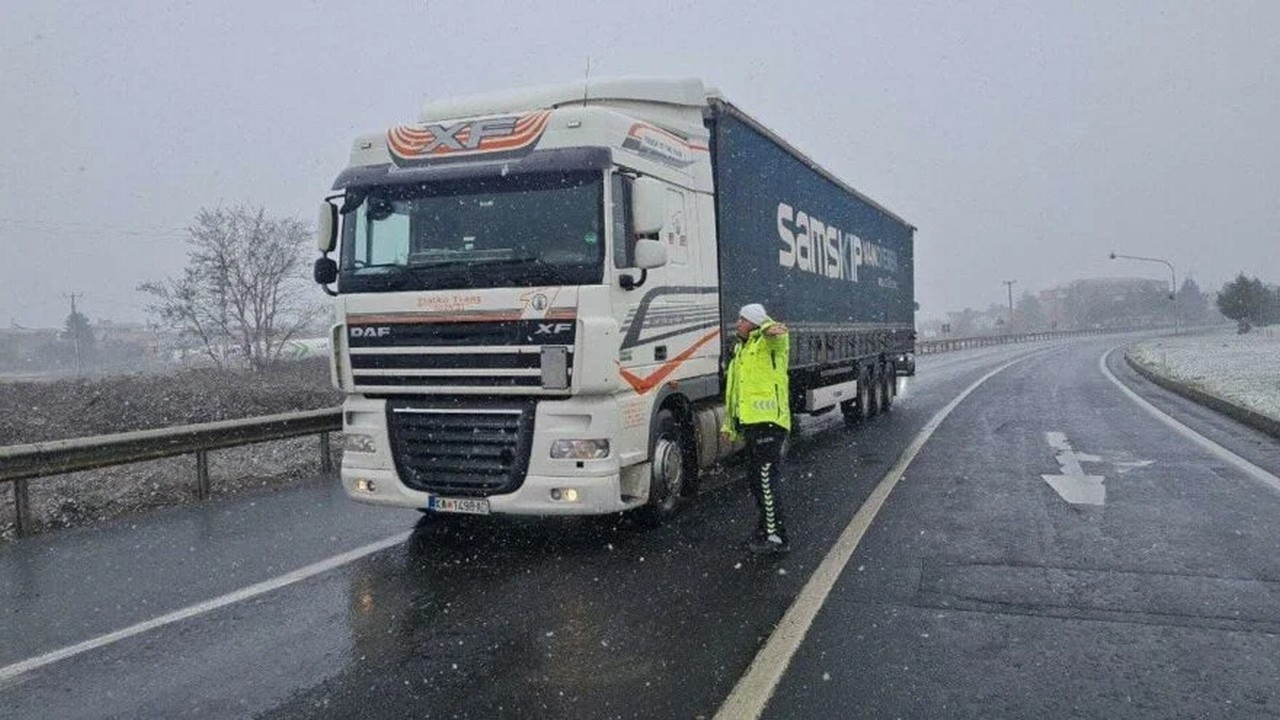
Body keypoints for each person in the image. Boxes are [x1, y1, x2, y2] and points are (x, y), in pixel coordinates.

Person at [721, 303, 791, 554]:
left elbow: (778, 336)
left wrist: (768, 327)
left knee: (765, 479)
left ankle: (777, 537)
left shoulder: (767, 343)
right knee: (754, 480)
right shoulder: (742, 349)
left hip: (769, 423)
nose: (737, 323)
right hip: (752, 424)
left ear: (753, 322)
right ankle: (765, 528)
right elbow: (736, 391)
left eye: (742, 319)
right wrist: (731, 424)